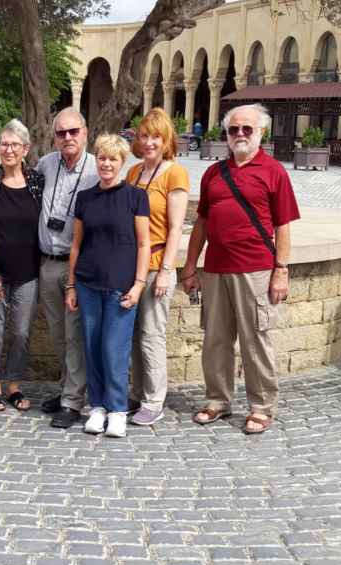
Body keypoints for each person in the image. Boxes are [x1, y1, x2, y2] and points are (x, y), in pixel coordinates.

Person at [181, 103, 300, 435]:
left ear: (261, 132)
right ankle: (217, 399)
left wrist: (281, 270)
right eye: (234, 129)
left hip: (256, 270)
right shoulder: (213, 174)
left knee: (255, 341)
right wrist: (190, 266)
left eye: (247, 128)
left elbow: (283, 226)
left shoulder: (273, 171)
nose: (240, 134)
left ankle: (261, 407)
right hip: (216, 269)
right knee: (216, 340)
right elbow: (202, 223)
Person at [64, 134, 150, 439]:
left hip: (121, 286)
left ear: (122, 162)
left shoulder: (136, 197)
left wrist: (139, 284)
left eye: (113, 159)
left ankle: (117, 409)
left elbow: (144, 244)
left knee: (114, 349)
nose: (107, 164)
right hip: (88, 284)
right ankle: (98, 405)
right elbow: (76, 245)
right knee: (92, 347)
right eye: (102, 158)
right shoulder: (85, 198)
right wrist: (71, 285)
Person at [125, 108, 190, 425]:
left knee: (152, 334)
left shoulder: (174, 173)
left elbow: (176, 227)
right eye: (144, 136)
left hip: (156, 266)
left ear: (166, 141)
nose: (149, 142)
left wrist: (166, 270)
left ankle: (153, 399)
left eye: (156, 137)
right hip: (133, 266)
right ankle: (137, 393)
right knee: (135, 335)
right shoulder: (133, 173)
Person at [0, 119, 44, 412]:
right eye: (4, 144)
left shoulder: (37, 183)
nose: (9, 150)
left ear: (25, 149)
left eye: (15, 145)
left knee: (21, 334)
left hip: (28, 273)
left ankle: (14, 385)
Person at [37, 107, 99, 429]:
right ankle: (67, 389)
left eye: (73, 131)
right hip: (48, 263)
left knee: (75, 335)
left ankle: (73, 402)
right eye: (61, 133)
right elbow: (16, 180)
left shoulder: (97, 168)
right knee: (58, 335)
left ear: (85, 133)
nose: (68, 137)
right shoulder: (46, 164)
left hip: (78, 266)